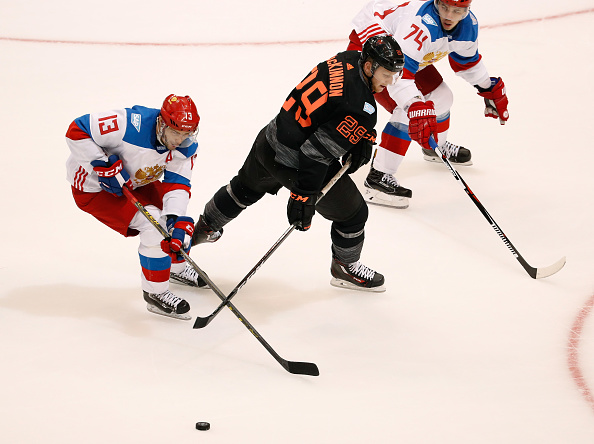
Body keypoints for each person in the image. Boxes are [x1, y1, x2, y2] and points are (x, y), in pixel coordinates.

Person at [191, 36, 405, 292]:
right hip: (296, 163)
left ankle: (198, 231)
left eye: (395, 74)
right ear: (369, 67)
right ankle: (345, 267)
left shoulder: (346, 59)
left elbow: (331, 108)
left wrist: (362, 136)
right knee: (354, 215)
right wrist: (304, 196)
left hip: (271, 139)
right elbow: (314, 154)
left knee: (243, 189)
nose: (390, 81)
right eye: (386, 73)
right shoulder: (361, 108)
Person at [348, 0, 510, 208]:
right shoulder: (419, 25)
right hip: (374, 54)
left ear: (467, 10)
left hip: (404, 56)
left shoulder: (468, 25)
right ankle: (379, 177)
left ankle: (435, 147)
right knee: (408, 110)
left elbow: (466, 62)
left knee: (442, 97)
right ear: (436, 2)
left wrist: (488, 87)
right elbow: (399, 76)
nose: (449, 16)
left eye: (457, 11)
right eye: (444, 8)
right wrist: (414, 105)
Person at [65, 94, 206, 320]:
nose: (180, 140)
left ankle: (176, 270)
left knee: (174, 224)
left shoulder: (186, 146)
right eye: (176, 132)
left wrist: (175, 218)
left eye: (186, 133)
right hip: (93, 189)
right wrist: (100, 164)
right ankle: (155, 294)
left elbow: (178, 184)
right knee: (154, 227)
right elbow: (77, 130)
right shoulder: (129, 124)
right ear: (161, 123)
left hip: (134, 181)